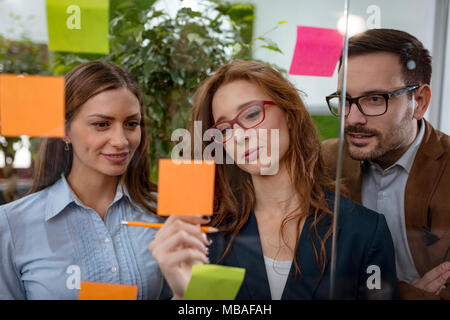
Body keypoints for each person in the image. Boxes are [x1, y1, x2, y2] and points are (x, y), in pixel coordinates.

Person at [149, 59, 398, 300]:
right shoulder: (207, 233)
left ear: (289, 114)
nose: (239, 136)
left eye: (251, 114)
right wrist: (184, 295)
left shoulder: (364, 231)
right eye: (224, 129)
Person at [0, 61, 167, 299]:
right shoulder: (11, 225)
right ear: (65, 130)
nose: (121, 141)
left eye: (131, 124)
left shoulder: (163, 213)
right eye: (101, 124)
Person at [322, 29, 450, 300]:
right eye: (345, 99)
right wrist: (404, 293)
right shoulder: (326, 160)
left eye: (375, 99)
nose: (352, 118)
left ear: (420, 102)